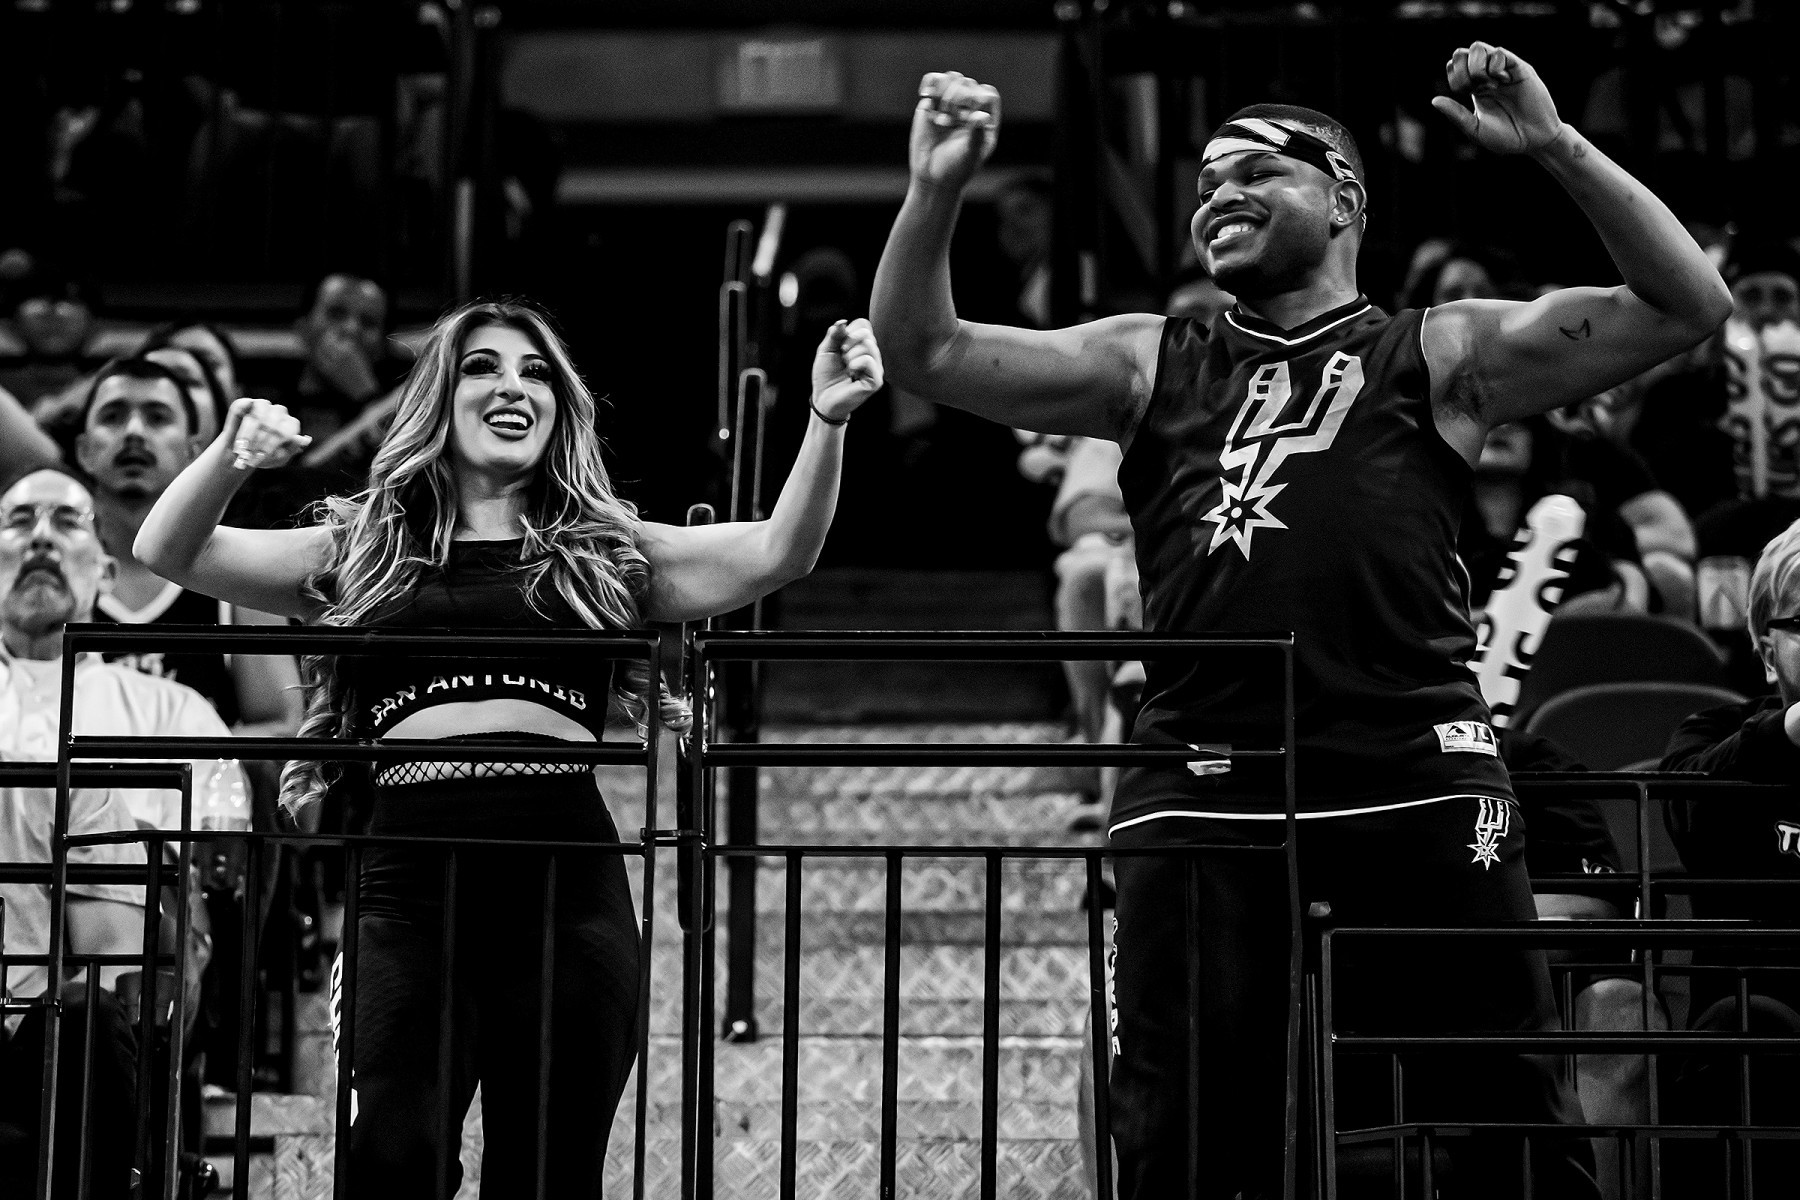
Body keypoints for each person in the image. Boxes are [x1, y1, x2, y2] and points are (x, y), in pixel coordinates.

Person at [872, 40, 1730, 1199]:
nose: (1216, 196)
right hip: (1204, 777)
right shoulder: (1146, 356)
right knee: (1178, 1130)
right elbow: (925, 351)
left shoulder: (1441, 349)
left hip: (1411, 765)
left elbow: (1687, 305)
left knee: (1508, 1120)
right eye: (1203, 184)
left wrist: (1555, 146)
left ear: (1343, 200)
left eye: (1254, 172)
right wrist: (934, 190)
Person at [135, 299, 883, 1196]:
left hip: (565, 882)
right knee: (392, 1156)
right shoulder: (365, 544)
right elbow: (168, 548)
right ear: (438, 398)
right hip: (409, 882)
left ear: (560, 408)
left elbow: (779, 552)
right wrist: (230, 456)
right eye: (482, 366)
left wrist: (826, 420)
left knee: (546, 1173)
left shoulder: (604, 550)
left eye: (535, 373)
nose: (512, 386)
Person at [0, 466, 247, 1198]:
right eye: (19, 522)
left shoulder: (175, 710)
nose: (41, 539)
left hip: (110, 993)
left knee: (88, 1015)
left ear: (106, 573)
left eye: (67, 522)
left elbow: (214, 871)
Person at [1657, 514, 1800, 1197]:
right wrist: (1790, 733)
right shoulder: (1717, 733)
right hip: (1761, 1023)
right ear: (1768, 649)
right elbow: (1688, 813)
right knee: (1748, 1023)